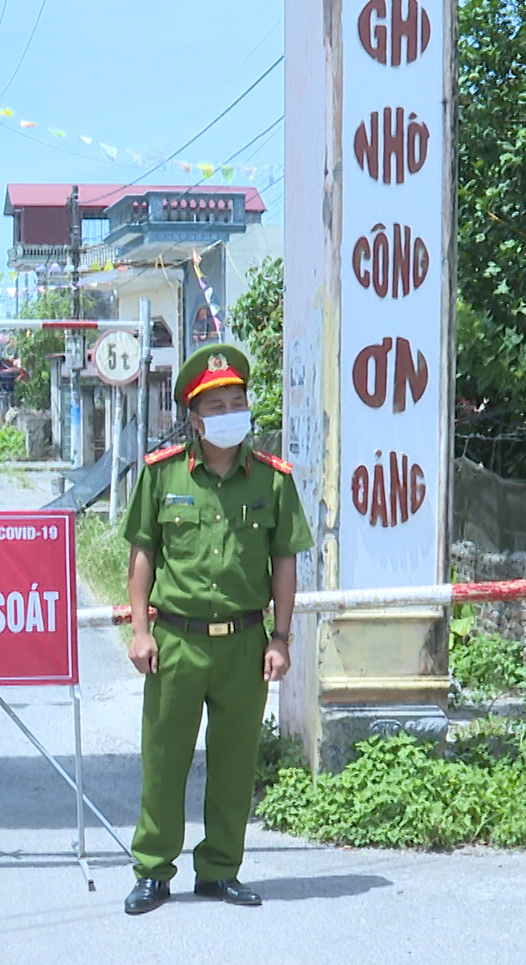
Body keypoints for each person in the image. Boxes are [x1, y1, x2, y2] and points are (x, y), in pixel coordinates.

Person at [119, 343, 313, 915]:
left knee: (234, 762)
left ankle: (220, 870)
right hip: (175, 640)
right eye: (217, 405)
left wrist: (281, 638)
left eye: (238, 402)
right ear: (195, 419)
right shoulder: (163, 475)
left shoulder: (272, 481)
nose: (231, 413)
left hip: (245, 645)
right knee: (164, 758)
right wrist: (139, 629)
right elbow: (142, 556)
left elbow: (284, 562)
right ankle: (153, 870)